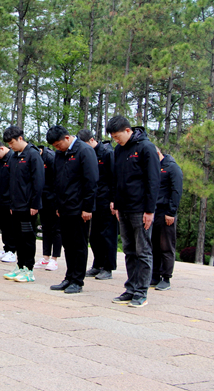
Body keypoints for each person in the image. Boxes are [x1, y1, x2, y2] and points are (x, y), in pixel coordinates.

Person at [105, 116, 160, 308]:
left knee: (142, 250)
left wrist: (149, 210)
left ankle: (141, 292)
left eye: (117, 135)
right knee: (129, 250)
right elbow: (116, 178)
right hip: (124, 208)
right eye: (112, 137)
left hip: (141, 209)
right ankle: (131, 288)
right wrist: (115, 202)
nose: (115, 140)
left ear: (128, 130)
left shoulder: (146, 148)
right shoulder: (119, 150)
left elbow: (153, 181)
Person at [46, 125, 98, 294]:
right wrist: (58, 205)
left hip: (80, 208)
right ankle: (69, 277)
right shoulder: (60, 154)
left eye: (58, 144)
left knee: (79, 245)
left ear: (67, 138)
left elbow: (91, 181)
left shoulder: (84, 151)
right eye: (54, 146)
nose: (57, 148)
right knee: (67, 244)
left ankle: (77, 280)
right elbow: (57, 181)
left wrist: (87, 208)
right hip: (64, 207)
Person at [1, 126, 44, 283]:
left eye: (12, 142)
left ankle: (29, 269)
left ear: (20, 138)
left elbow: (38, 182)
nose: (10, 146)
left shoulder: (33, 155)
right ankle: (20, 266)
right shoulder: (13, 157)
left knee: (27, 238)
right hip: (15, 206)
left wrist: (35, 204)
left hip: (28, 207)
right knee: (18, 237)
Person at [79, 129, 117, 280]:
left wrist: (114, 200)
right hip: (93, 200)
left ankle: (108, 267)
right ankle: (97, 264)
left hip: (106, 200)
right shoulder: (87, 154)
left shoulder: (107, 153)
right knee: (94, 236)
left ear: (92, 140)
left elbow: (114, 178)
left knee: (107, 235)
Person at [152, 146, 183, 291]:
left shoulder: (172, 168)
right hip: (153, 212)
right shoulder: (152, 167)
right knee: (154, 246)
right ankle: (155, 275)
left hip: (166, 212)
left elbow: (176, 191)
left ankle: (166, 277)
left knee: (166, 246)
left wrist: (171, 212)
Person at [35, 145, 61, 272]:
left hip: (53, 198)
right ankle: (45, 256)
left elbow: (58, 180)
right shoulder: (34, 158)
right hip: (42, 198)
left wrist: (58, 203)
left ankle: (54, 258)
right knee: (45, 227)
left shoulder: (51, 158)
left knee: (55, 228)